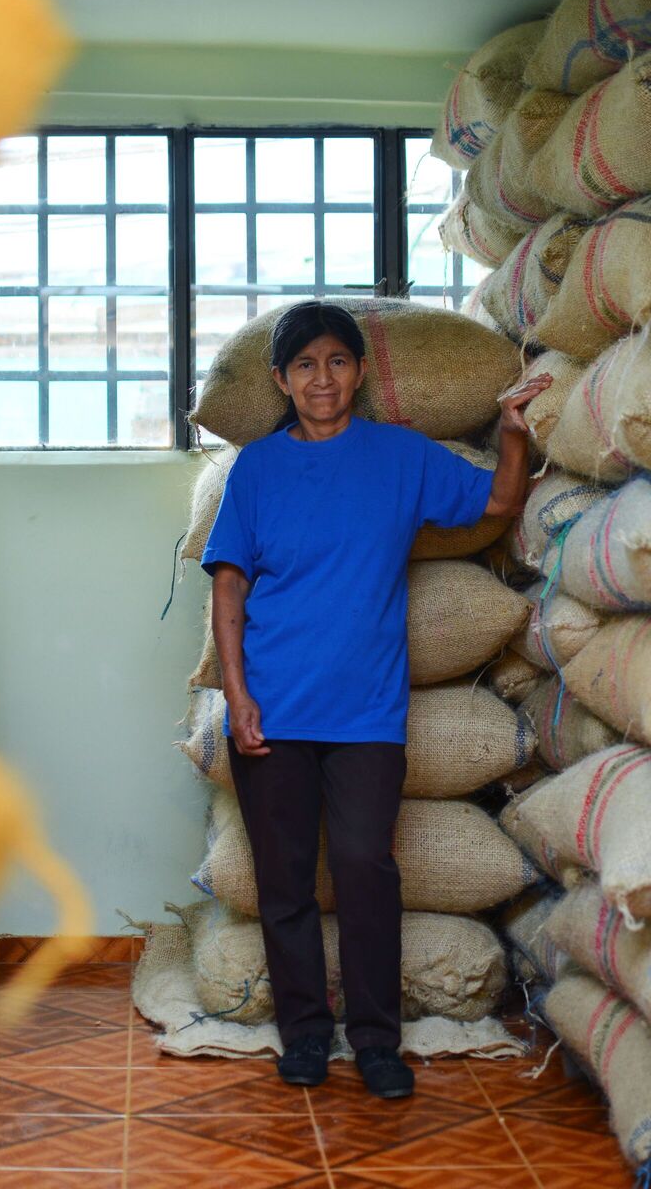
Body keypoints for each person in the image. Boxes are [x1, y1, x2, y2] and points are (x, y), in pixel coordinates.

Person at [200, 300, 548, 1099]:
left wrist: (515, 434)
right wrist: (239, 698)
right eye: (305, 365)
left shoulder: (402, 457)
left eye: (337, 361)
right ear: (283, 381)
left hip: (366, 716)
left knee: (364, 870)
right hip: (274, 711)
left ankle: (377, 1041)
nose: (323, 378)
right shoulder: (257, 468)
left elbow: (496, 507)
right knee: (285, 882)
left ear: (358, 372)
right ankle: (305, 1038)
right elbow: (229, 587)